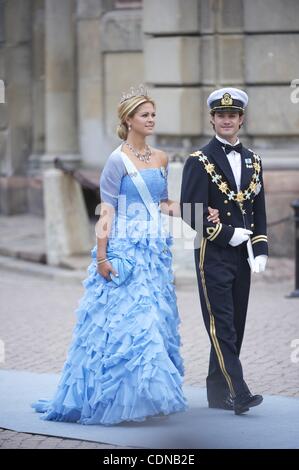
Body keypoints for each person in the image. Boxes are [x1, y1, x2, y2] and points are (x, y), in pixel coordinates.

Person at [32, 85, 220, 425]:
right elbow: (107, 211)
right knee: (130, 325)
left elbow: (164, 204)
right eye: (144, 115)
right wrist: (102, 258)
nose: (151, 120)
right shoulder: (116, 160)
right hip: (124, 249)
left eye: (153, 115)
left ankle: (142, 397)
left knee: (155, 321)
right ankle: (114, 399)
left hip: (155, 252)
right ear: (129, 120)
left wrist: (200, 212)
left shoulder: (161, 157)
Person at [180, 87, 268, 415]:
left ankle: (217, 394)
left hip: (242, 255)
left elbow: (259, 208)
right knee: (222, 324)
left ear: (241, 119)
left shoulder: (253, 160)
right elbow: (190, 213)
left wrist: (260, 248)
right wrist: (226, 233)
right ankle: (239, 392)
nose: (226, 120)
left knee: (237, 322)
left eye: (232, 115)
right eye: (221, 115)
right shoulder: (198, 160)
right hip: (212, 252)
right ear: (212, 119)